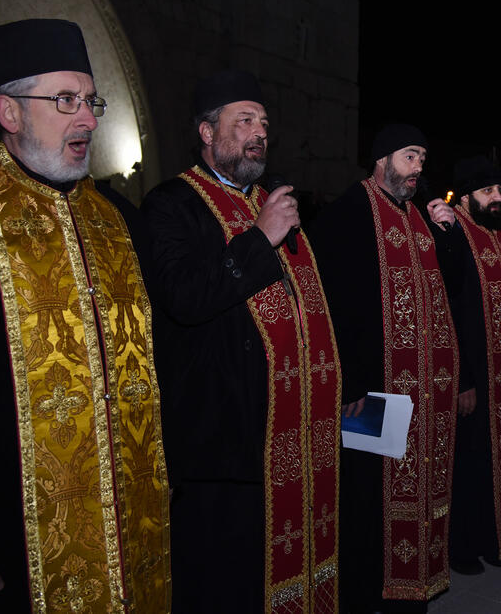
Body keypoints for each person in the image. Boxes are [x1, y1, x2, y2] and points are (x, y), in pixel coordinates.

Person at [0, 19, 170, 611]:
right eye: (65, 101)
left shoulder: (120, 224)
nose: (88, 118)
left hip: (131, 531)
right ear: (9, 111)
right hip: (1, 536)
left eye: (90, 100)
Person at [141, 70, 340, 612]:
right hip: (220, 437)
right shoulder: (170, 204)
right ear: (207, 133)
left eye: (264, 124)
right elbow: (183, 298)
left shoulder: (273, 199)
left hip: (289, 427)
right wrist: (259, 239)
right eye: (244, 122)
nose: (259, 133)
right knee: (223, 579)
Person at [309, 124, 459, 611]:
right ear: (381, 159)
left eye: (422, 158)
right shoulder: (349, 212)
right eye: (410, 156)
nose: (419, 167)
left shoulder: (417, 215)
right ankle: (363, 592)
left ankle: (408, 584)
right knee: (367, 493)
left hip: (419, 392)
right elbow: (332, 303)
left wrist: (449, 233)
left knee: (409, 485)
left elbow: (447, 290)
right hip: (370, 390)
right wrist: (350, 379)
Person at [428, 156, 501, 575]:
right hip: (472, 375)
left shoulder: (499, 232)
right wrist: (462, 380)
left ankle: (497, 538)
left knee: (497, 462)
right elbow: (446, 310)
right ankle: (462, 547)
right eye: (487, 192)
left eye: (498, 191)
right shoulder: (453, 233)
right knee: (468, 466)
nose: (497, 198)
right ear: (467, 196)